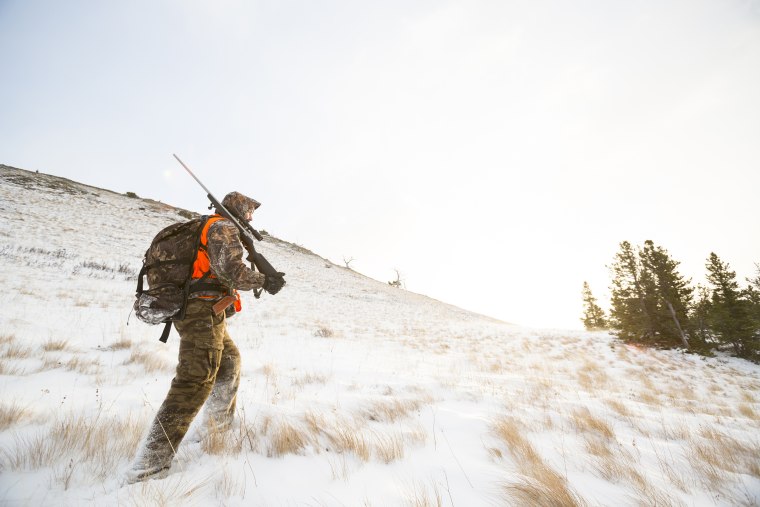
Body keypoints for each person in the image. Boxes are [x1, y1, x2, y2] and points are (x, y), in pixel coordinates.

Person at [127, 191, 285, 483]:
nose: (251, 218)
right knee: (196, 378)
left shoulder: (206, 226)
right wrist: (266, 280)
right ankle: (149, 465)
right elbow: (231, 271)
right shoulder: (222, 227)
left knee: (229, 362)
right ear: (238, 210)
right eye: (249, 212)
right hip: (201, 309)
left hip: (202, 309)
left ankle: (216, 428)